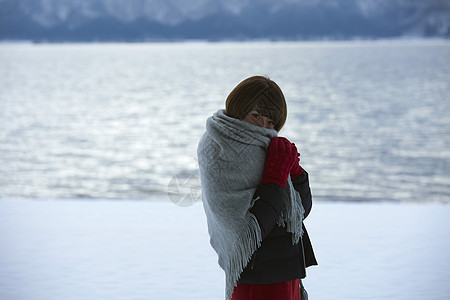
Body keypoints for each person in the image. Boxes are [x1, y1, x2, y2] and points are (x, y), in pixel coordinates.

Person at [197, 76, 317, 300]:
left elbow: (301, 213)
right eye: (256, 116)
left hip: (287, 271)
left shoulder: (266, 148)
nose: (263, 127)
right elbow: (248, 230)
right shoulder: (217, 148)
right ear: (238, 109)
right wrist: (275, 179)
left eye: (271, 122)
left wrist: (296, 173)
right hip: (257, 276)